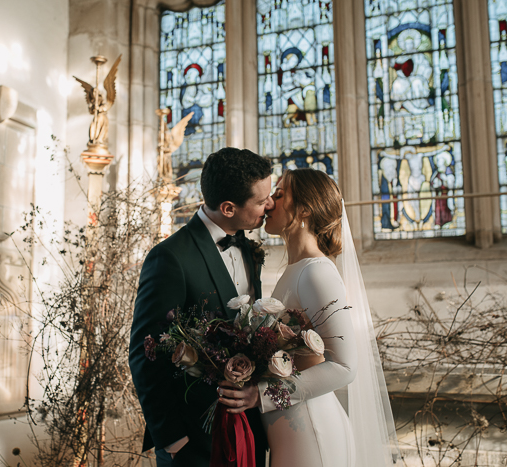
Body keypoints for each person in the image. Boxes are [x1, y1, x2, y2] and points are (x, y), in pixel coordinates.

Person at [217, 168, 400, 466]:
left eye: (279, 194)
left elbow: (343, 367)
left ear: (304, 208)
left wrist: (260, 394)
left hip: (311, 431)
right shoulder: (294, 271)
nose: (269, 203)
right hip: (289, 430)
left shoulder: (317, 272)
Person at [129, 147, 274, 466]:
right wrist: (172, 439)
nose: (270, 205)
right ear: (228, 207)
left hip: (248, 432)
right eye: (262, 201)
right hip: (193, 443)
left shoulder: (249, 249)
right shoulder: (170, 257)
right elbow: (144, 351)